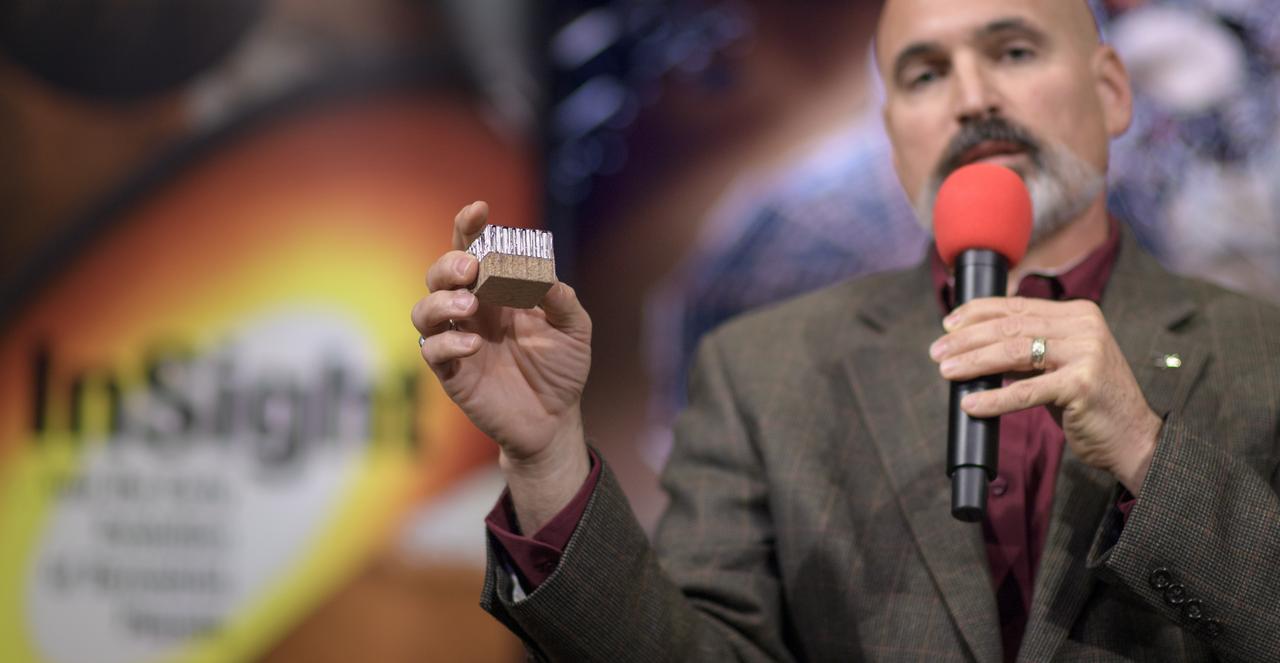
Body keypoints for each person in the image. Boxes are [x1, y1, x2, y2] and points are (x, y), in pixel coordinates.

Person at [410, 0, 1280, 660]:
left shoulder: (1260, 350)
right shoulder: (761, 367)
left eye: (1013, 52)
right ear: (893, 134)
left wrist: (1139, 445)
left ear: (1112, 91)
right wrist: (545, 456)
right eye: (924, 74)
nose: (972, 99)